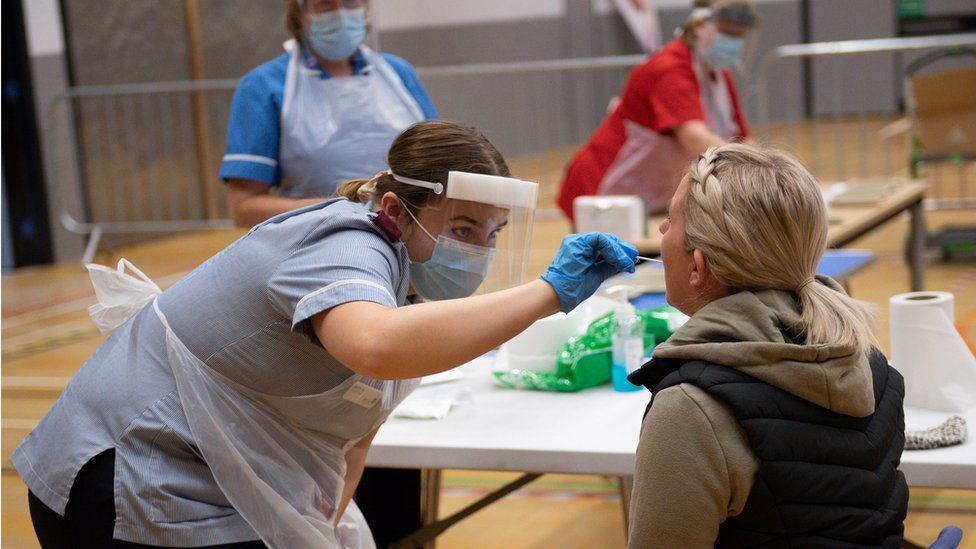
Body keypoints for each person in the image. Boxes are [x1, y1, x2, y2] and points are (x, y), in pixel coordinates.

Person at [14, 120, 637, 548]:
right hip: (121, 475)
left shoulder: (408, 283)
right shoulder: (344, 242)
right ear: (395, 211)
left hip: (201, 477)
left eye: (492, 234)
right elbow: (375, 346)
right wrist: (548, 293)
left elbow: (354, 437)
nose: (477, 251)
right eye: (463, 228)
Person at [626, 144, 908, 547]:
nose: (661, 232)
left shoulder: (690, 411)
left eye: (670, 221)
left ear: (698, 266)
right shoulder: (867, 364)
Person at [220, 0, 438, 228]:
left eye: (350, 1)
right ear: (299, 12)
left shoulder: (399, 75)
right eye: (325, 3)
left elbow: (439, 167)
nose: (341, 13)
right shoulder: (263, 86)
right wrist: (341, 209)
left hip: (408, 243)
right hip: (317, 242)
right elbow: (244, 209)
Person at [557, 0, 757, 221]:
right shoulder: (669, 67)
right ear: (700, 24)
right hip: (604, 189)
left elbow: (741, 139)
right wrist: (754, 168)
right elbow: (693, 137)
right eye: (727, 33)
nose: (734, 42)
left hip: (653, 196)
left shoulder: (720, 76)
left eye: (740, 35)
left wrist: (767, 166)